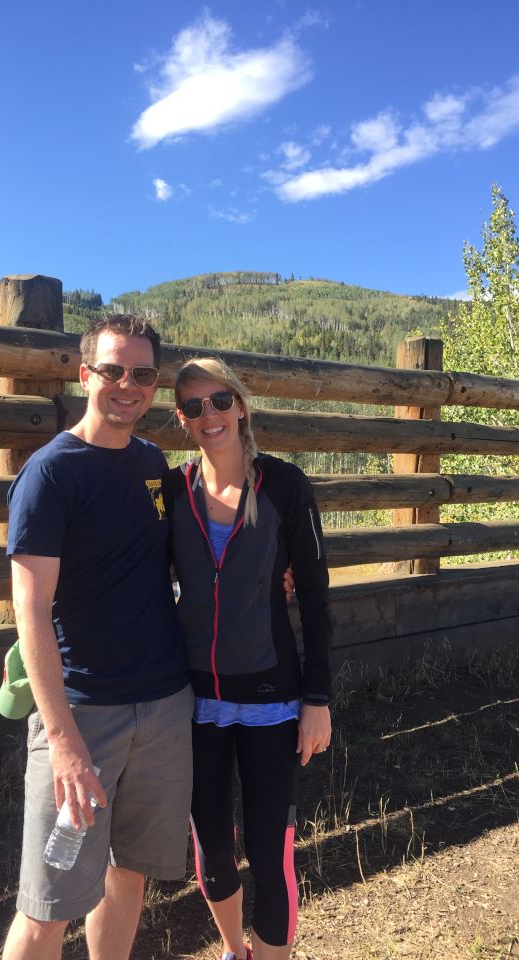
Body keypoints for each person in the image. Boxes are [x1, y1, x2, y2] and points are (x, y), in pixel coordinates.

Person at [1, 315, 194, 960]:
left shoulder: (150, 463)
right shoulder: (50, 474)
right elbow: (30, 611)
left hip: (163, 705)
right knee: (47, 905)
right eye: (112, 370)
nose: (127, 384)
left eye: (142, 373)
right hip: (84, 715)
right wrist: (62, 742)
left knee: (128, 873)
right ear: (85, 375)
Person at [163, 357, 333, 960]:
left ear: (239, 405)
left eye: (218, 400)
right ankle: (235, 950)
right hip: (195, 701)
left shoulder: (284, 485)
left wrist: (318, 698)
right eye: (193, 406)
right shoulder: (172, 491)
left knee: (269, 853)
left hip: (272, 699)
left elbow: (315, 597)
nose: (208, 415)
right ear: (182, 420)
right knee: (211, 848)